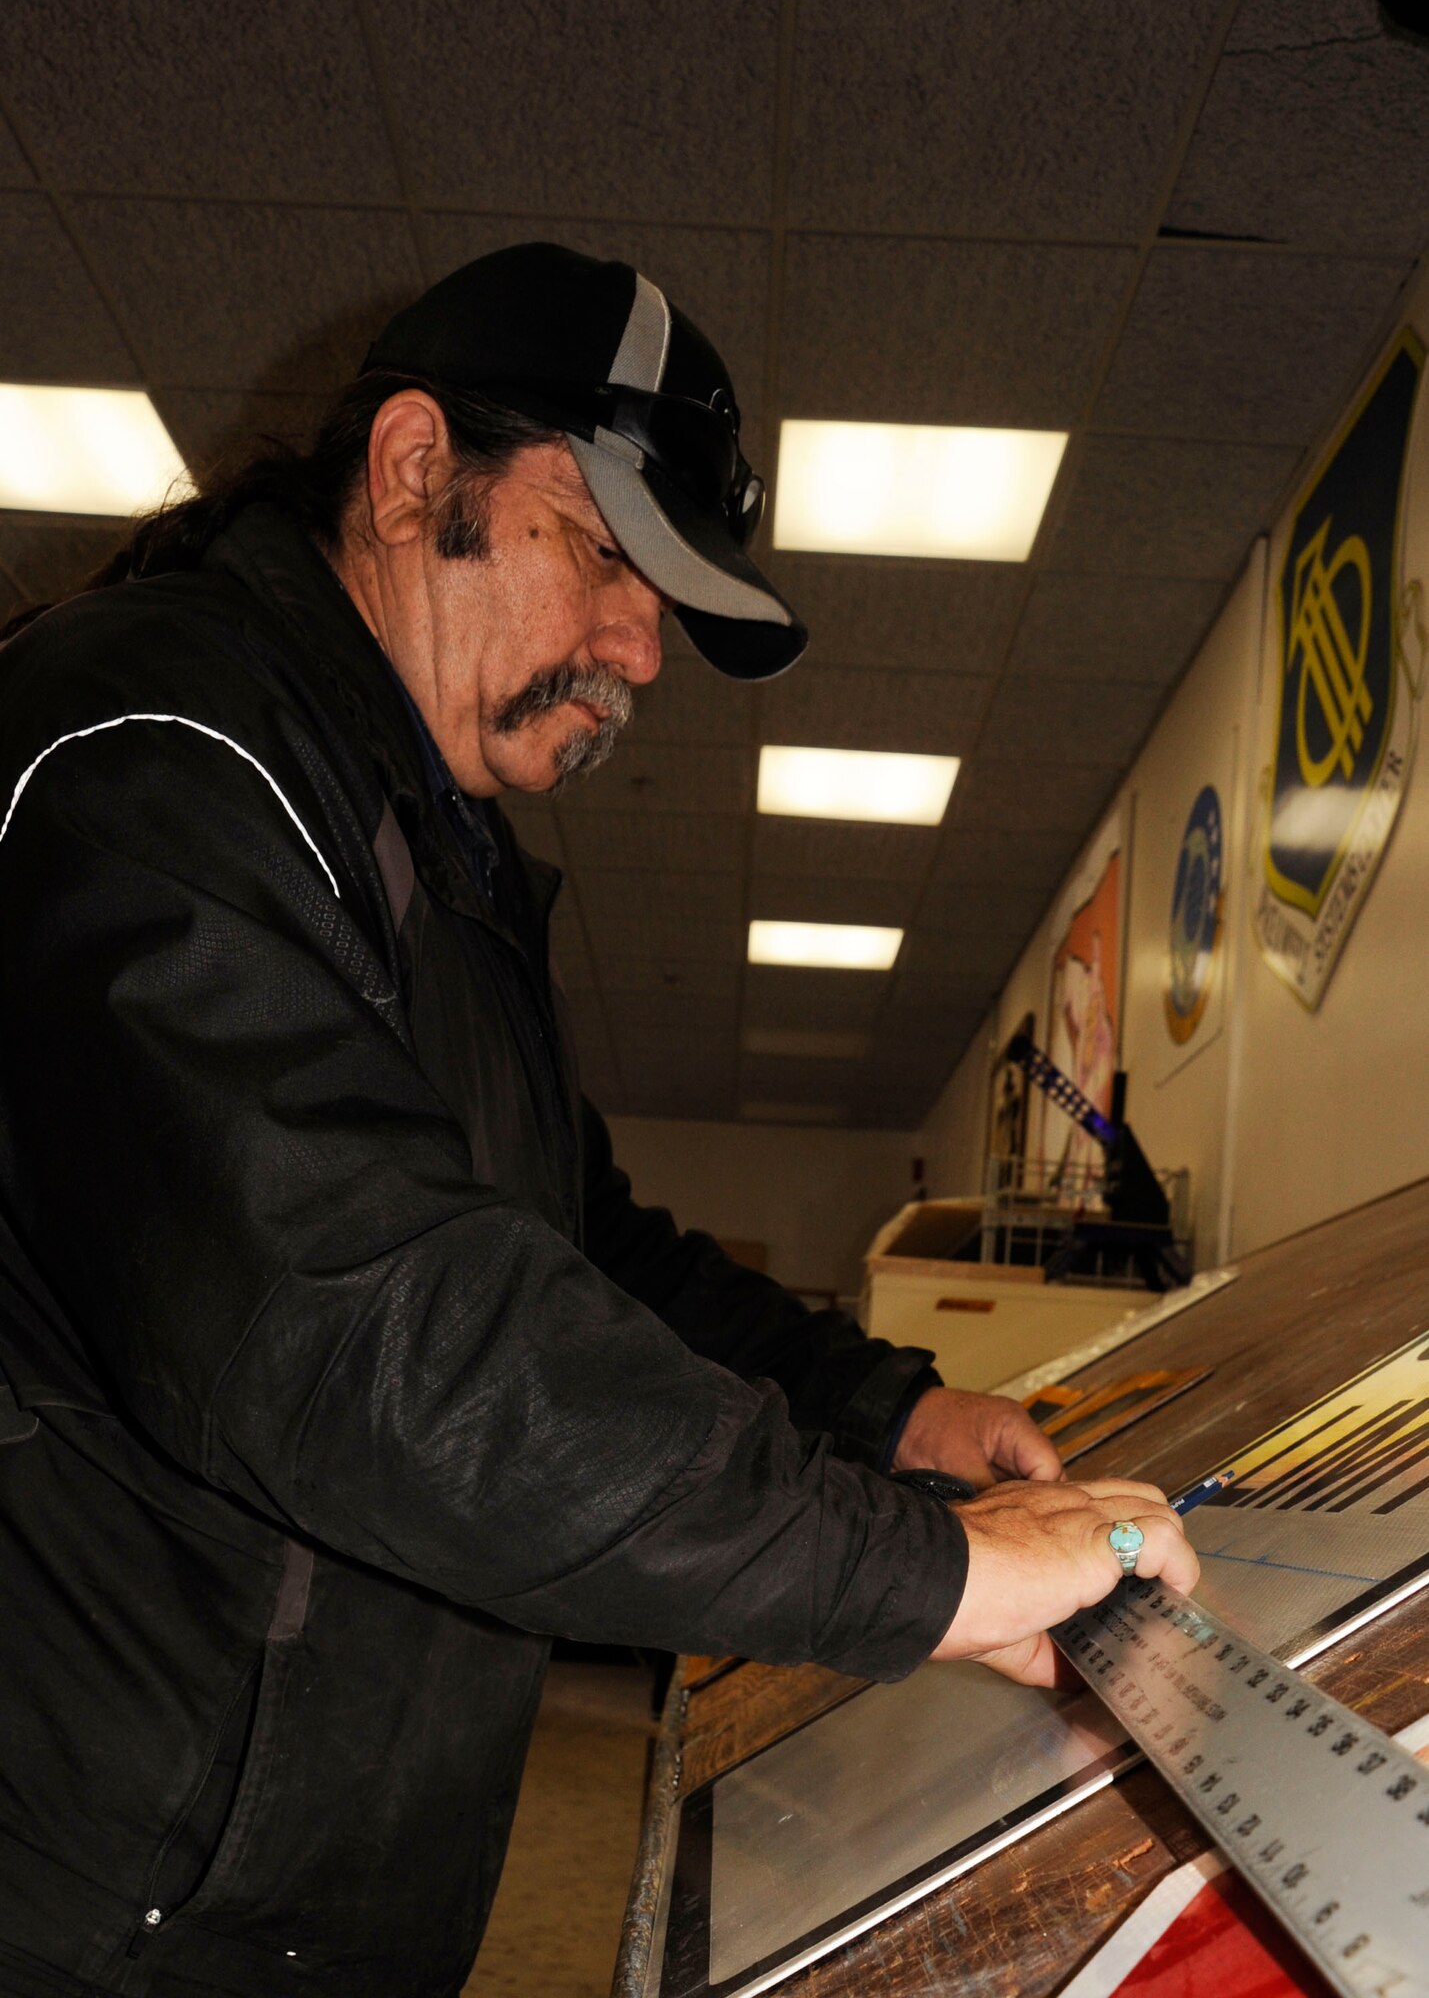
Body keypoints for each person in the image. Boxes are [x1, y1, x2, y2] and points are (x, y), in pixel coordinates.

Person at [0, 244, 1196, 1997]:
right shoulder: (155, 760)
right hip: (87, 1894)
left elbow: (586, 1254)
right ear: (417, 473)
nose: (640, 648)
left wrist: (894, 1415)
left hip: (305, 1891)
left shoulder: (447, 871)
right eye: (608, 553)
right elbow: (367, 1330)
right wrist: (921, 1572)